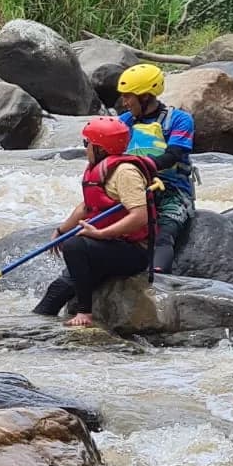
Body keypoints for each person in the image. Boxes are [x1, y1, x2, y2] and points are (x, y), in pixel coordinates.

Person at [33, 117, 156, 328]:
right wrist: (61, 230)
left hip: (133, 252)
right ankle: (35, 333)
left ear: (99, 148)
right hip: (107, 247)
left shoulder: (125, 173)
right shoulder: (98, 169)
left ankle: (85, 313)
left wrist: (100, 234)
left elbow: (139, 216)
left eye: (86, 144)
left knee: (74, 245)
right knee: (56, 292)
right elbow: (86, 207)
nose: (85, 148)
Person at [116, 63, 196, 273]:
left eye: (128, 96)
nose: (124, 102)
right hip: (134, 189)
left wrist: (139, 166)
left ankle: (158, 280)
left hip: (172, 191)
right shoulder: (124, 122)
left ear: (145, 96)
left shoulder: (179, 119)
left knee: (163, 235)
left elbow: (173, 155)